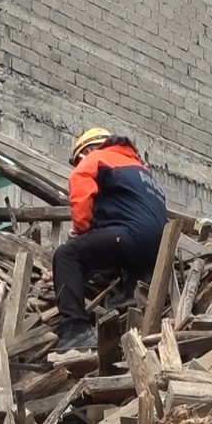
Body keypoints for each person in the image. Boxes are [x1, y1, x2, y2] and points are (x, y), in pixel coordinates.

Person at [51, 128, 168, 352]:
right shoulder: (143, 171)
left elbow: (80, 185)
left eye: (78, 160)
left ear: (87, 150)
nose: (78, 165)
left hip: (129, 236)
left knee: (67, 255)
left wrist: (81, 228)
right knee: (115, 246)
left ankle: (75, 330)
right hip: (157, 247)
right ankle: (129, 294)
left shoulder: (97, 157)